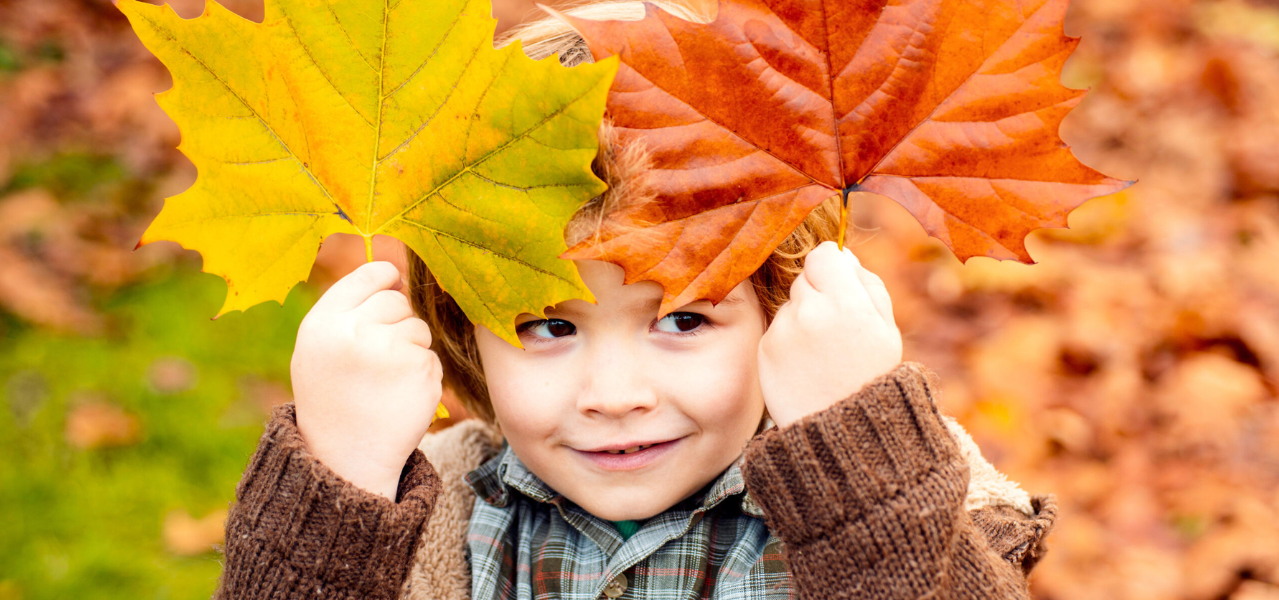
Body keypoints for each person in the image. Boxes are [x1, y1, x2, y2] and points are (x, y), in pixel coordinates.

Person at [214, 3, 1057, 598]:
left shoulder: (911, 495)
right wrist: (340, 476)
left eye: (683, 318)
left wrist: (853, 453)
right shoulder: (422, 514)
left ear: (786, 316)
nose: (614, 395)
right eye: (547, 325)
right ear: (461, 335)